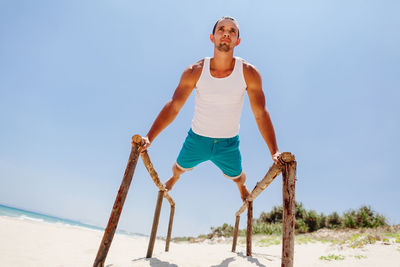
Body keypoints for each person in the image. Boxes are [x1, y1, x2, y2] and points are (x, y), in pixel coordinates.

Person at [136, 16, 280, 201]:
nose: (226, 33)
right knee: (178, 167)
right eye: (221, 29)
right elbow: (174, 106)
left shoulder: (249, 73)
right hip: (197, 138)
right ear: (212, 37)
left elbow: (260, 113)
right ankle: (175, 178)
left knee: (239, 177)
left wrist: (274, 151)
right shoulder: (194, 71)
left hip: (228, 143)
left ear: (237, 40)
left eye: (232, 31)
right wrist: (149, 137)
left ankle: (241, 187)